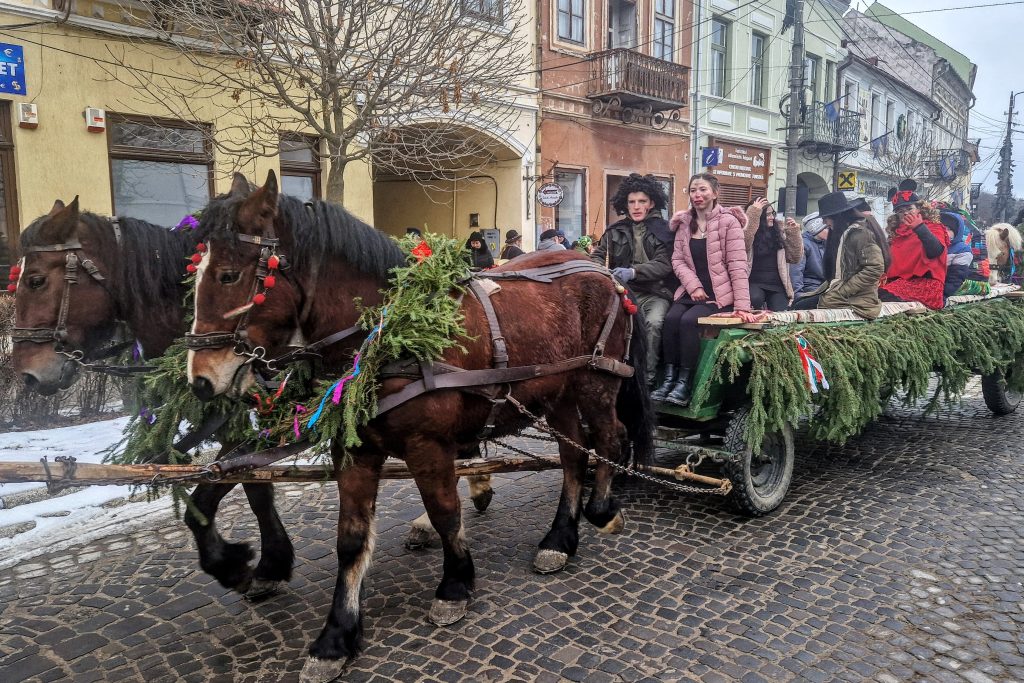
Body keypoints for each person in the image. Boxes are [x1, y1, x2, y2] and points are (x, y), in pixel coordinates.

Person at [651, 173, 756, 407]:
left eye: (703, 190)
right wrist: (694, 286)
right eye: (693, 190)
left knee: (689, 322)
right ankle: (669, 379)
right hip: (692, 292)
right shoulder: (684, 224)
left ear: (715, 193)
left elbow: (738, 267)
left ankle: (684, 384)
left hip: (719, 297)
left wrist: (741, 307)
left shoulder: (729, 222)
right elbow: (677, 260)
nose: (697, 195)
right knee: (670, 319)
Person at [590, 173, 675, 385]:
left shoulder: (663, 231)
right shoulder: (614, 231)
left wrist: (633, 271)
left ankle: (647, 380)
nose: (636, 206)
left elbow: (664, 264)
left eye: (642, 201)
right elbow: (598, 256)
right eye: (631, 202)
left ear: (652, 203)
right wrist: (599, 270)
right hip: (622, 292)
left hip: (655, 293)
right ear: (625, 205)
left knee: (653, 324)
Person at [791, 191, 890, 319]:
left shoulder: (860, 233)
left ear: (838, 216)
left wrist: (842, 291)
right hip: (844, 294)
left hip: (857, 299)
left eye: (826, 217)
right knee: (798, 303)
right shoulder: (843, 233)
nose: (824, 222)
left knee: (801, 307)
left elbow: (875, 268)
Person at [879, 179, 948, 310]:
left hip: (925, 285)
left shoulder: (933, 227)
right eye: (900, 211)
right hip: (899, 283)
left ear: (919, 209)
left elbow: (936, 251)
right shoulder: (896, 234)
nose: (905, 213)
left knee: (880, 295)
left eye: (909, 208)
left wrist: (919, 228)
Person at [743, 198, 803, 311]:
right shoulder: (749, 234)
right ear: (759, 216)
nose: (772, 217)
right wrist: (753, 213)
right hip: (754, 282)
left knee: (781, 312)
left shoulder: (779, 232)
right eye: (767, 215)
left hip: (777, 284)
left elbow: (794, 258)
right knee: (755, 299)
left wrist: (793, 233)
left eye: (773, 213)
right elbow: (744, 243)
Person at [790, 212, 828, 297]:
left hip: (825, 285)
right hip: (810, 286)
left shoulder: (827, 243)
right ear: (817, 229)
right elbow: (796, 271)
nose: (830, 231)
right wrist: (798, 293)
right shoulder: (803, 244)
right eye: (826, 228)